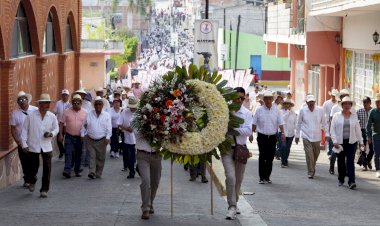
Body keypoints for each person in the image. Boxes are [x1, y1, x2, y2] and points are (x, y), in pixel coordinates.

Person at [222, 87, 253, 220]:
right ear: (232, 97)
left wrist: (232, 128)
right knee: (230, 177)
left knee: (238, 180)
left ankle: (235, 201)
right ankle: (232, 206)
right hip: (226, 149)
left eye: (242, 98)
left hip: (241, 149)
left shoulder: (247, 113)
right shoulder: (224, 111)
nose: (239, 100)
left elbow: (248, 131)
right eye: (237, 97)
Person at [21, 94, 59, 198]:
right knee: (33, 168)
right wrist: (24, 144)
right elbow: (24, 130)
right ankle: (32, 180)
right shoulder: (31, 115)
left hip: (46, 146)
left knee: (47, 168)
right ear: (40, 104)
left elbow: (56, 128)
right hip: (33, 146)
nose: (48, 104)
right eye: (46, 102)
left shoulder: (51, 116)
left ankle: (44, 189)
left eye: (49, 102)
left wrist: (51, 134)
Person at [330, 96, 364, 189]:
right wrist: (335, 141)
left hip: (351, 142)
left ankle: (351, 181)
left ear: (351, 105)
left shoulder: (354, 116)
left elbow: (358, 130)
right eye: (345, 104)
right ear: (342, 105)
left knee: (350, 161)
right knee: (341, 161)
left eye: (349, 103)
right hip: (339, 142)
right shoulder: (336, 116)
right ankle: (341, 178)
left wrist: (361, 142)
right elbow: (332, 130)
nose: (347, 105)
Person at [252, 90, 285, 184]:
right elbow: (254, 123)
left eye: (270, 98)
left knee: (270, 157)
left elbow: (281, 122)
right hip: (262, 136)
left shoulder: (276, 110)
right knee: (262, 156)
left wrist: (283, 133)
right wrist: (250, 134)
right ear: (264, 100)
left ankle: (267, 176)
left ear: (272, 99)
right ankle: (261, 177)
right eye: (266, 99)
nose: (268, 100)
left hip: (272, 137)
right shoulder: (259, 110)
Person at [295, 95, 329, 179]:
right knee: (309, 154)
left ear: (315, 102)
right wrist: (297, 135)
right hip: (306, 135)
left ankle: (312, 166)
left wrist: (327, 134)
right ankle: (310, 171)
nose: (311, 103)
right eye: (309, 102)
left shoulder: (320, 110)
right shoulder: (303, 111)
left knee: (316, 154)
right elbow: (298, 123)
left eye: (312, 102)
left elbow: (324, 124)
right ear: (306, 103)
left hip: (317, 136)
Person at [10, 91, 38, 188]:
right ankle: (27, 180)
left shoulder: (35, 110)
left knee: (34, 161)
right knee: (25, 162)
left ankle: (32, 177)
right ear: (18, 102)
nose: (22, 101)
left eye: (23, 99)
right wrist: (17, 141)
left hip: (33, 141)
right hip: (22, 142)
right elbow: (12, 129)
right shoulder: (15, 113)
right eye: (20, 100)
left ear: (27, 100)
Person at [82, 96, 112, 179]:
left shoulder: (106, 115)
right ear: (94, 105)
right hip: (90, 140)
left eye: (100, 104)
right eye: (96, 104)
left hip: (102, 140)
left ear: (102, 105)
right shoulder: (89, 114)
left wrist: (108, 137)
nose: (98, 106)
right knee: (92, 156)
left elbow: (109, 127)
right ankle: (92, 172)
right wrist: (82, 134)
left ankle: (98, 173)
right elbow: (84, 125)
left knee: (101, 158)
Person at [135, 129, 162, 220]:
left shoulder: (163, 118)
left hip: (157, 155)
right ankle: (145, 208)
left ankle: (150, 203)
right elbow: (136, 132)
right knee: (146, 180)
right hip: (142, 155)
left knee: (155, 182)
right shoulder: (137, 118)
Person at [60, 94, 88, 178]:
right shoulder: (66, 111)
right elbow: (61, 123)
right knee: (68, 153)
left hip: (80, 137)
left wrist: (85, 134)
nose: (76, 104)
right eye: (74, 102)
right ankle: (67, 170)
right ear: (72, 103)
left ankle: (77, 170)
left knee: (78, 154)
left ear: (81, 103)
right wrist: (60, 134)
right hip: (69, 136)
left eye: (78, 102)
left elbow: (87, 124)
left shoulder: (85, 112)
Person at [118, 97, 138, 178]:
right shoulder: (125, 112)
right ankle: (131, 172)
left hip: (138, 139)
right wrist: (126, 128)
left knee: (140, 158)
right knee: (130, 156)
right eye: (131, 106)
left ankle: (138, 169)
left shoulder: (140, 113)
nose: (133, 108)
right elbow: (119, 123)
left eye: (134, 106)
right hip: (128, 138)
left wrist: (134, 129)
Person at [323, 89, 339, 174]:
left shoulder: (340, 105)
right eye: (333, 96)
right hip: (330, 124)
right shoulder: (327, 104)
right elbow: (324, 114)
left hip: (343, 131)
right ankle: (330, 153)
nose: (333, 97)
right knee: (332, 142)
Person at [53, 89, 72, 159]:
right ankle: (62, 151)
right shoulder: (58, 103)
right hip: (59, 124)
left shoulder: (70, 104)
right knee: (59, 139)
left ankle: (67, 152)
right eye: (63, 95)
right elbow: (54, 112)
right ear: (61, 96)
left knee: (68, 139)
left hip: (68, 125)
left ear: (68, 96)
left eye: (66, 95)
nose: (64, 97)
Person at [357, 96, 374, 171]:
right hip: (362, 131)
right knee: (362, 148)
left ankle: (367, 160)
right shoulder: (359, 111)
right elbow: (356, 123)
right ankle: (364, 164)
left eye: (367, 102)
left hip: (372, 132)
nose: (365, 104)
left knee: (373, 149)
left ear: (370, 103)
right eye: (364, 102)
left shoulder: (374, 111)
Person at [279, 99, 297, 168]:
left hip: (290, 133)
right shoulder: (280, 112)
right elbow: (282, 120)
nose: (287, 105)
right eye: (286, 104)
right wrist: (287, 112)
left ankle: (285, 159)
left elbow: (295, 123)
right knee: (283, 147)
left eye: (288, 104)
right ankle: (283, 162)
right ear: (283, 105)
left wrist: (296, 133)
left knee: (288, 148)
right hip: (282, 132)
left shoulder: (294, 113)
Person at [367, 93, 380, 178]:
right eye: (376, 102)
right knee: (377, 154)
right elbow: (368, 125)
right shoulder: (372, 112)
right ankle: (378, 170)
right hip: (375, 136)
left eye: (379, 102)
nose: (377, 104)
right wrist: (368, 136)